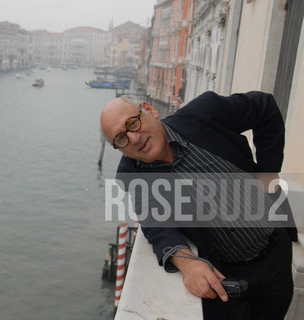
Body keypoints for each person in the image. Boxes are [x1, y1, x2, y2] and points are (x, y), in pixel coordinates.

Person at [100, 91, 297, 320]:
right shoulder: (134, 174)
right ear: (120, 148)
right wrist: (186, 262)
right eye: (121, 138)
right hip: (226, 281)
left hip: (277, 252)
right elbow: (156, 223)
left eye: (132, 123)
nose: (133, 138)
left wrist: (268, 173)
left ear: (150, 110)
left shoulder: (205, 112)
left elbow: (265, 107)